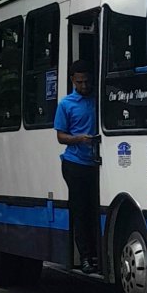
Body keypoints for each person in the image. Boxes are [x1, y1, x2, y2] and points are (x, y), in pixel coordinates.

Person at [54, 60, 99, 274]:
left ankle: (97, 254)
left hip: (96, 164)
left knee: (94, 210)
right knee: (80, 211)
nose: (84, 86)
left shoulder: (97, 99)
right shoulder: (66, 104)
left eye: (87, 81)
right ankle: (86, 257)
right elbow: (61, 137)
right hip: (74, 164)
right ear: (72, 80)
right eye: (80, 82)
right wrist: (79, 139)